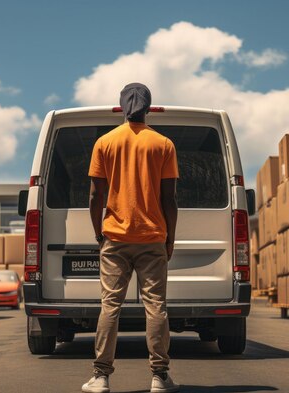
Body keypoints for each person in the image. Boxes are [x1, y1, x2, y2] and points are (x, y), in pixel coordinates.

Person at [82, 83, 179, 393]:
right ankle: (159, 377)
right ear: (148, 108)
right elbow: (170, 199)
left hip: (114, 239)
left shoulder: (105, 142)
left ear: (122, 107)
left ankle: (101, 377)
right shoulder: (163, 144)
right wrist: (170, 239)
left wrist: (99, 232)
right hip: (152, 238)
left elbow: (96, 195)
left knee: (110, 306)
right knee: (156, 307)